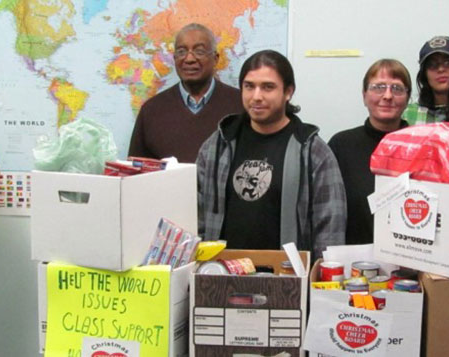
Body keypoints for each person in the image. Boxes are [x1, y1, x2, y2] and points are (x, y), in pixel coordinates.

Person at [196, 50, 345, 256]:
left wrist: (319, 280)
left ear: (288, 92)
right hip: (223, 276)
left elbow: (330, 231)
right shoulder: (217, 145)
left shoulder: (312, 151)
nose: (257, 97)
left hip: (287, 280)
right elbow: (196, 217)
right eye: (249, 86)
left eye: (268, 87)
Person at [128, 23, 243, 163]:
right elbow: (136, 171)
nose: (189, 59)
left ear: (215, 59)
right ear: (174, 58)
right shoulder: (151, 110)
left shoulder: (239, 105)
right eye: (181, 51)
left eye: (199, 51)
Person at [329, 59, 411, 245]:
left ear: (407, 98)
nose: (388, 96)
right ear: (364, 95)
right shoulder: (341, 145)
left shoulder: (421, 147)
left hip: (410, 260)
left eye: (397, 89)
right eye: (378, 87)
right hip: (352, 261)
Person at [402, 36, 449, 126]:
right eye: (432, 65)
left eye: (448, 63)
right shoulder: (407, 114)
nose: (441, 69)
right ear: (424, 74)